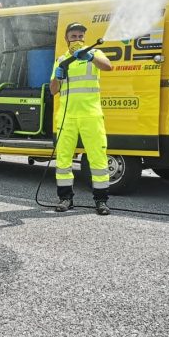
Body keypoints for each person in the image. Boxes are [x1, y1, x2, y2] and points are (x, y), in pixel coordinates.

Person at [48, 22, 113, 215]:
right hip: (67, 117)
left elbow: (108, 67)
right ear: (66, 38)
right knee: (63, 160)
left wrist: (91, 57)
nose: (77, 39)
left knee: (97, 158)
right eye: (73, 36)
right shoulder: (61, 59)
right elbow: (53, 91)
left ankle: (101, 201)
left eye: (80, 36)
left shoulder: (94, 53)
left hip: (90, 115)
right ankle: (65, 199)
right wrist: (57, 77)